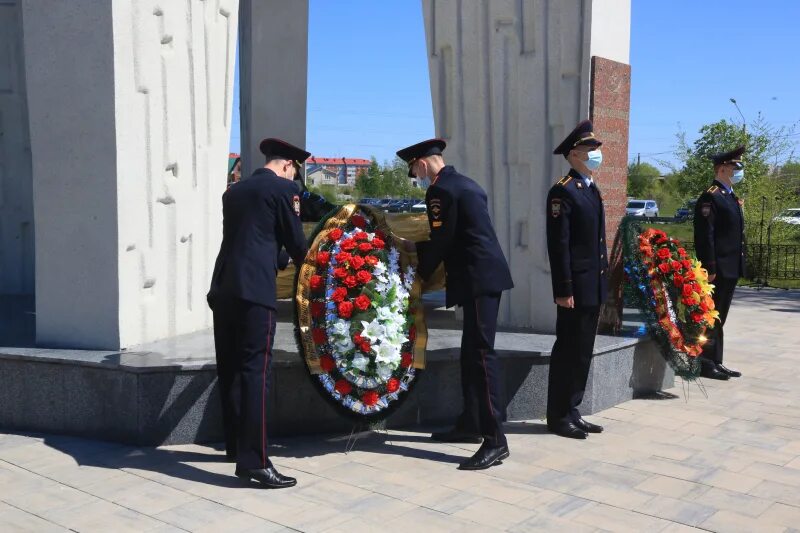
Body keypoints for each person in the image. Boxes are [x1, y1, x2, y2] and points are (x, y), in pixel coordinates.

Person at [397, 138, 514, 471]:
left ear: (420, 163)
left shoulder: (439, 191)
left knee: (480, 356)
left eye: (413, 171)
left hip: (477, 279)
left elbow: (442, 242)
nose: (416, 178)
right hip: (484, 275)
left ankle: (495, 440)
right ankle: (471, 422)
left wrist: (414, 278)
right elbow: (454, 235)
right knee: (470, 353)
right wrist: (417, 247)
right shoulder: (464, 183)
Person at [207, 138, 309, 488]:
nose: (292, 176)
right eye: (293, 171)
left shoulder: (234, 192)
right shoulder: (284, 190)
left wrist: (279, 256)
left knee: (232, 369)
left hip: (224, 289)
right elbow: (296, 246)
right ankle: (256, 462)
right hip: (255, 294)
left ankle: (236, 445)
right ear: (286, 166)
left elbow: (253, 240)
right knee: (256, 374)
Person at [545, 120, 609, 440]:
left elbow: (597, 243)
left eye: (596, 148)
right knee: (568, 350)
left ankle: (573, 409)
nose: (597, 153)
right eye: (590, 149)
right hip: (574, 289)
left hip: (592, 286)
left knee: (583, 351)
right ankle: (557, 416)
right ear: (574, 154)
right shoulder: (563, 190)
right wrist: (563, 289)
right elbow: (559, 246)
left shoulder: (591, 187)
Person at [693, 145, 746, 380]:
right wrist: (710, 267)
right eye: (736, 166)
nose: (739, 170)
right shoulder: (711, 196)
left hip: (730, 266)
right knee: (711, 315)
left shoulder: (729, 196)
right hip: (719, 268)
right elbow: (706, 235)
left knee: (719, 316)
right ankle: (705, 361)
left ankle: (715, 359)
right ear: (723, 168)